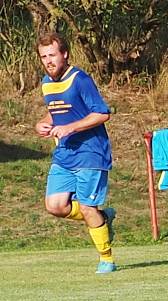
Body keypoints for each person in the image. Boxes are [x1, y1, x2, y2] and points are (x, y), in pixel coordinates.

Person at [35, 32, 116, 274]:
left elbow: (102, 113)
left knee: (87, 207)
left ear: (65, 54)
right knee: (55, 205)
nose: (48, 60)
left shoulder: (80, 79)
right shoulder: (46, 83)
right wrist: (41, 123)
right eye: (43, 56)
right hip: (65, 154)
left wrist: (71, 127)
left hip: (91, 152)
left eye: (52, 55)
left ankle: (107, 259)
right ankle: (103, 217)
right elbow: (58, 112)